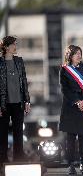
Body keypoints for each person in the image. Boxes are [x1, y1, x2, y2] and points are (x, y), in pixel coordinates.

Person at [59, 45, 83, 175]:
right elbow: (65, 90)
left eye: (80, 53)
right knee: (70, 139)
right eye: (76, 53)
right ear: (70, 55)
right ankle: (71, 165)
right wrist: (77, 101)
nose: (79, 55)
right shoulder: (64, 70)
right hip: (71, 108)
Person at [0, 36, 31, 169]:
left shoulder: (19, 61)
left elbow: (24, 82)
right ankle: (2, 158)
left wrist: (27, 101)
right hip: (4, 104)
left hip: (18, 103)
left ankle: (19, 156)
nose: (15, 46)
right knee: (2, 132)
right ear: (6, 47)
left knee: (18, 131)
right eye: (13, 44)